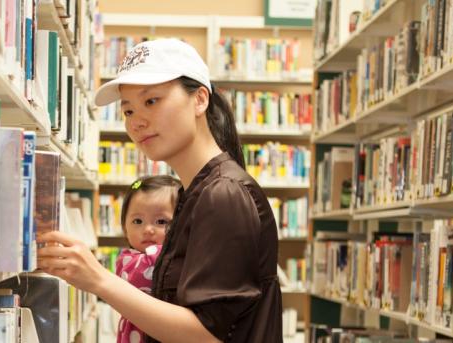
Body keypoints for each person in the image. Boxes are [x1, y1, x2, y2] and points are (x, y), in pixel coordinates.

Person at [36, 38, 282, 343]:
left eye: (151, 101)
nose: (137, 122)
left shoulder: (223, 194)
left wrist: (99, 280)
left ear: (200, 99)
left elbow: (206, 335)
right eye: (128, 111)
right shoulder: (195, 192)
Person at [115, 175, 182, 343]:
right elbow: (143, 276)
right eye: (137, 221)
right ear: (124, 227)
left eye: (161, 221)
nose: (148, 229)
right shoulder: (128, 260)